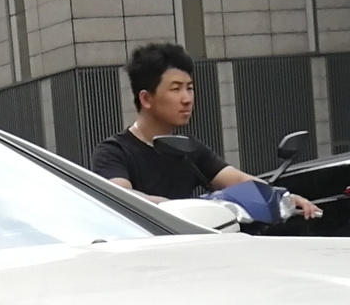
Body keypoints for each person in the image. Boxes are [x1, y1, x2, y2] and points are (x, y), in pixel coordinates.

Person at [91, 42, 322, 221]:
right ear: (146, 98)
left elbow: (235, 180)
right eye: (175, 89)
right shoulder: (114, 151)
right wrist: (184, 209)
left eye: (189, 88)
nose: (187, 99)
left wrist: (284, 198)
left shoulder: (188, 148)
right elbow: (123, 198)